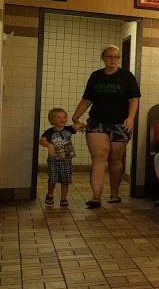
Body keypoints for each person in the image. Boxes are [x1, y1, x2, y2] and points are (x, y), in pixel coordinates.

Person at [70, 44, 141, 208]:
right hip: (97, 122)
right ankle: (96, 197)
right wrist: (75, 116)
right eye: (109, 56)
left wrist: (131, 117)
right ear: (103, 58)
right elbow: (87, 99)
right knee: (99, 156)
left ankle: (114, 194)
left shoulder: (127, 76)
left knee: (115, 159)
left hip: (120, 123)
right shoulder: (95, 76)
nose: (113, 60)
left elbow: (134, 99)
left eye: (116, 57)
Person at [39, 108, 76, 207]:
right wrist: (49, 145)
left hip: (66, 160)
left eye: (64, 117)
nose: (62, 119)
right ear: (52, 120)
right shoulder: (49, 132)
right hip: (54, 160)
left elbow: (78, 125)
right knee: (53, 178)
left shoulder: (69, 129)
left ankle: (63, 198)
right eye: (59, 117)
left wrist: (82, 126)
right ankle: (50, 194)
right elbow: (41, 141)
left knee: (66, 180)